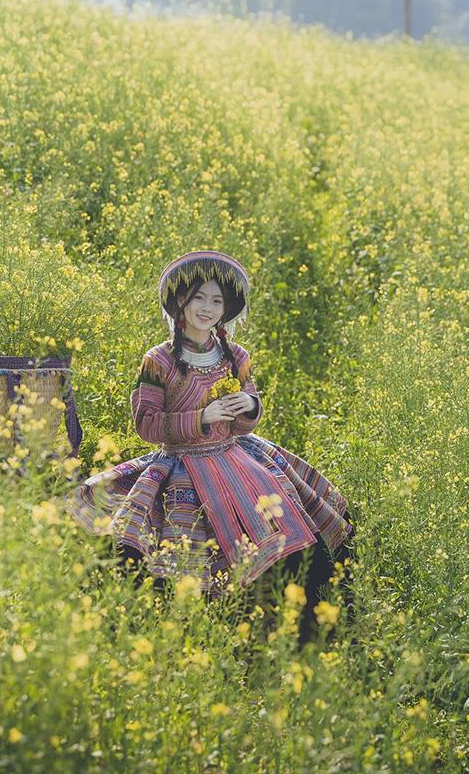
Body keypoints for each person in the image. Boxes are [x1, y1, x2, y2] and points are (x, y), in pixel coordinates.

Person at [64, 250, 357, 649]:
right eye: (199, 298)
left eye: (217, 301)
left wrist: (249, 407)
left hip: (237, 455)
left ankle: (294, 629)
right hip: (179, 463)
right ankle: (199, 630)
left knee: (284, 528)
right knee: (180, 549)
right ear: (180, 302)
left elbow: (248, 409)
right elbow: (146, 424)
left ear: (227, 309)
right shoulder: (159, 360)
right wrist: (201, 417)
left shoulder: (236, 356)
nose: (207, 308)